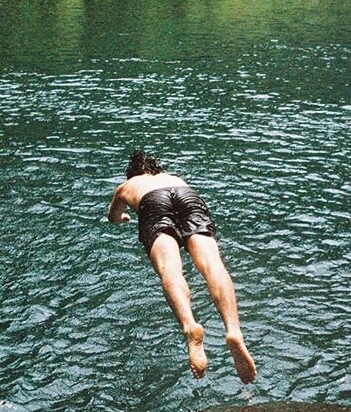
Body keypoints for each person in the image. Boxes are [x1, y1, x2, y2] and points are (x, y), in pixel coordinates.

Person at [108, 150, 256, 384]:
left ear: (132, 174)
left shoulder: (128, 185)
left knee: (170, 268)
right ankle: (234, 331)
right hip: (188, 197)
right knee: (212, 264)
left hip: (153, 203)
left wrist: (124, 217)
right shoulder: (174, 177)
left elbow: (113, 216)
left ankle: (190, 328)